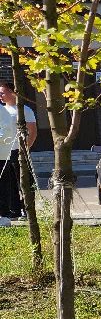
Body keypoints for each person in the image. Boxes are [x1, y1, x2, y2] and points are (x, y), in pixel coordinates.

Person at [0, 79, 38, 228]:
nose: (0, 96)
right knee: (5, 182)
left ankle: (28, 209)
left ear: (12, 92)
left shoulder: (24, 110)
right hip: (3, 152)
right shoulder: (2, 110)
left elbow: (32, 132)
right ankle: (12, 210)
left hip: (18, 151)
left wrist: (25, 149)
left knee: (24, 181)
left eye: (2, 92)